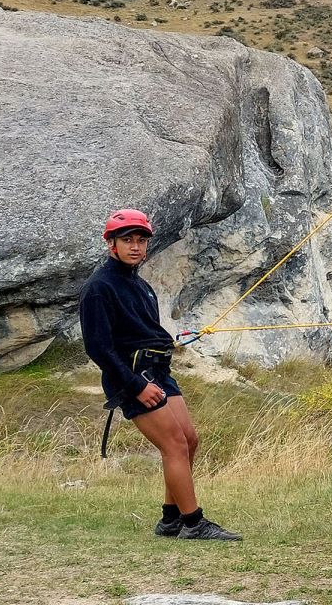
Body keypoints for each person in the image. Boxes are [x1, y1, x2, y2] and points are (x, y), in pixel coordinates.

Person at [78, 209, 241, 541]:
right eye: (127, 240)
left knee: (189, 440)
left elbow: (143, 330)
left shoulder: (140, 285)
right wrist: (136, 385)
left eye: (141, 240)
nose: (135, 247)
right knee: (175, 445)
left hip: (158, 371)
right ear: (111, 244)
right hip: (134, 376)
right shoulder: (99, 287)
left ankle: (170, 520)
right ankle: (194, 523)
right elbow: (98, 347)